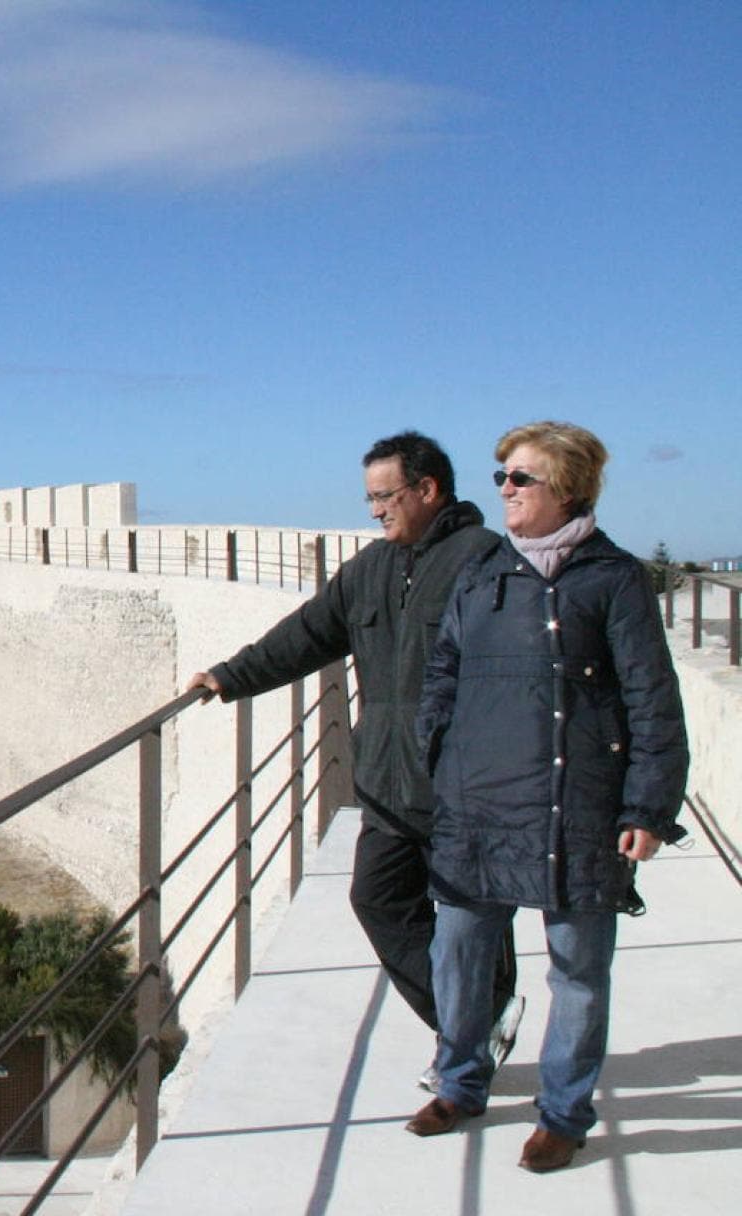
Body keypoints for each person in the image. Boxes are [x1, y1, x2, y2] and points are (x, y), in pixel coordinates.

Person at [186, 431, 521, 1074]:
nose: (373, 511)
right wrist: (230, 676)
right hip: (387, 782)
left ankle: (469, 1038)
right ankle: (477, 1020)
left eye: (383, 496)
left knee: (470, 917)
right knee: (377, 898)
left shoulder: (483, 560)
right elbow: (307, 635)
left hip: (463, 782)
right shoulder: (370, 570)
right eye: (369, 498)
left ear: (427, 490)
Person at [404, 421, 688, 1173]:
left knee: (578, 970)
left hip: (578, 805)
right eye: (502, 476)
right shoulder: (483, 569)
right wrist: (441, 752)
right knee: (459, 954)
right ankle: (460, 1083)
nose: (504, 490)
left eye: (520, 478)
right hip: (479, 806)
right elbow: (444, 670)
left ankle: (564, 1112)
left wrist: (648, 809)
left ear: (567, 489)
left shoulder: (613, 579)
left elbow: (653, 700)